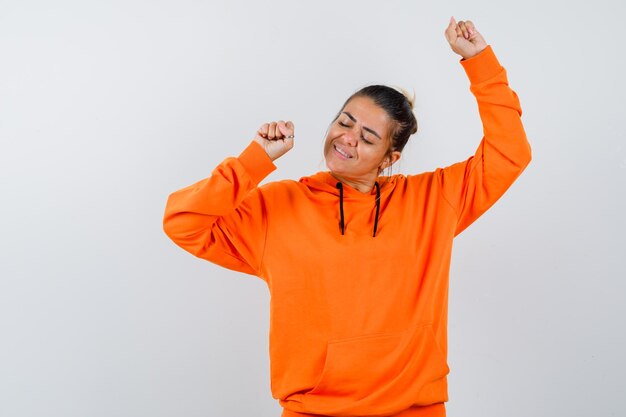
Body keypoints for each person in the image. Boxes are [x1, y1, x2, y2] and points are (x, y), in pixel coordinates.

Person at [163, 17, 531, 417]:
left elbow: (509, 153)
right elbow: (183, 220)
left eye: (368, 137)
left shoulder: (432, 200)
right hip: (313, 410)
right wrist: (253, 162)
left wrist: (480, 63)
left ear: (391, 158)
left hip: (415, 409)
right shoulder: (278, 206)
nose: (347, 138)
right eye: (344, 122)